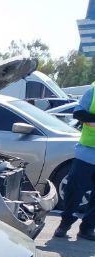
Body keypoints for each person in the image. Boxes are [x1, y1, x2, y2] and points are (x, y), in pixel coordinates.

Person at [55, 84, 95, 241]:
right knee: (73, 190)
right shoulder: (92, 92)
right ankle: (64, 224)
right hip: (86, 153)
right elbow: (78, 113)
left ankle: (87, 228)